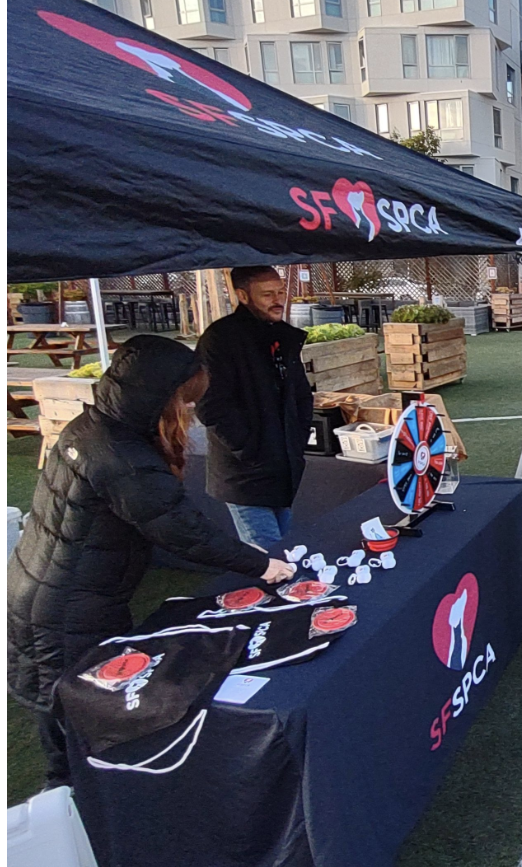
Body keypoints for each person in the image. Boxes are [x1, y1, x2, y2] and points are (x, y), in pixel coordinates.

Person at [7, 336, 295, 788]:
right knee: (73, 718)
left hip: (45, 588)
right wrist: (260, 565)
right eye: (185, 401)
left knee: (68, 706)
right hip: (64, 608)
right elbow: (180, 529)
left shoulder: (93, 426)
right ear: (159, 399)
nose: (190, 413)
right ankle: (71, 810)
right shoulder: (123, 457)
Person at [196, 266, 313, 549]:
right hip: (245, 473)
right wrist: (249, 449)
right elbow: (210, 405)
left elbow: (301, 395)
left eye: (281, 292)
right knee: (269, 554)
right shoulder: (219, 339)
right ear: (242, 295)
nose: (278, 299)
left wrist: (295, 441)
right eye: (267, 294)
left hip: (282, 465)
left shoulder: (280, 336)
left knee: (282, 548)